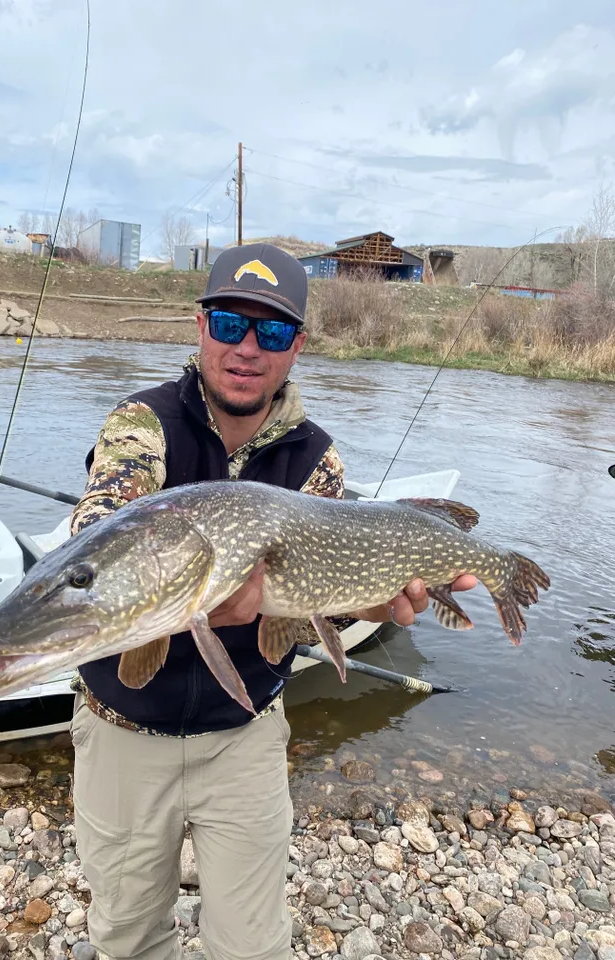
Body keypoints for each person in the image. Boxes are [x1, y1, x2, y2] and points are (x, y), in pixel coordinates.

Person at [68, 243, 476, 960]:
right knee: (126, 940)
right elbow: (99, 536)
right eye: (231, 324)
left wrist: (369, 604)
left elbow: (312, 609)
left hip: (245, 735)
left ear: (298, 347)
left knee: (252, 947)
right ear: (201, 326)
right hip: (121, 729)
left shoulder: (317, 459)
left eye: (274, 332)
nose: (248, 348)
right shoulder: (141, 425)